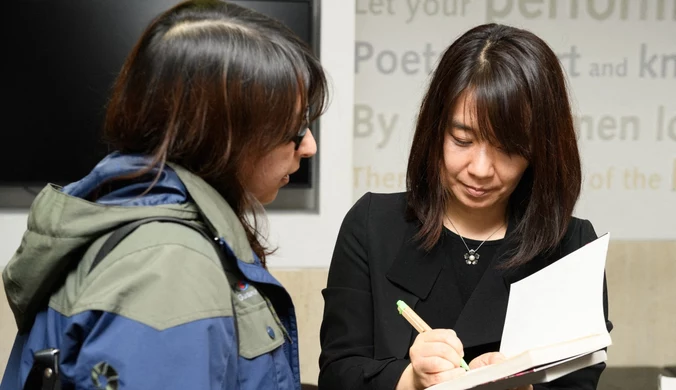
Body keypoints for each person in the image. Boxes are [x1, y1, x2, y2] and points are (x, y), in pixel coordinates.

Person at [1, 0, 327, 388]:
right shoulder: (167, 268)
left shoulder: (143, 226)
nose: (309, 147)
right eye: (294, 128)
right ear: (222, 134)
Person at [318, 23, 612, 390]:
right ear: (435, 130)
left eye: (508, 148)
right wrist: (411, 380)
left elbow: (579, 382)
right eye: (462, 139)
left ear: (541, 150)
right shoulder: (373, 226)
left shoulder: (570, 247)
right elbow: (338, 373)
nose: (480, 169)